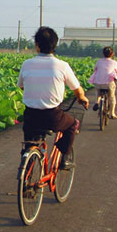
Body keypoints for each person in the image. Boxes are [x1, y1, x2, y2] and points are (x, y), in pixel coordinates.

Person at [17, 27, 89, 170]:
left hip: (30, 115)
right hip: (52, 116)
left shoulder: (27, 64)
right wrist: (82, 98)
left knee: (30, 143)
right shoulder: (62, 66)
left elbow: (21, 86)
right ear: (55, 45)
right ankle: (65, 158)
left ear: (37, 45)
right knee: (73, 124)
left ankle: (27, 173)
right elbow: (77, 90)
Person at [88, 46, 117, 118]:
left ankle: (97, 102)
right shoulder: (114, 62)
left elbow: (95, 69)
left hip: (98, 82)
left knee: (98, 92)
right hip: (108, 83)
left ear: (103, 54)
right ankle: (112, 113)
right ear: (112, 54)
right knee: (112, 97)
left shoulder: (99, 61)